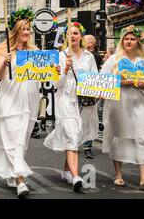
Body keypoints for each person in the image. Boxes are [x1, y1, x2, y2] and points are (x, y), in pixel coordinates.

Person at [0, 8, 44, 198]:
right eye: (23, 29)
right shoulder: (4, 49)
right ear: (16, 31)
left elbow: (43, 74)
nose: (26, 33)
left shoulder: (34, 51)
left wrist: (55, 68)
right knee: (12, 138)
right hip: (9, 99)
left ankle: (12, 171)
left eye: (28, 30)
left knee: (21, 140)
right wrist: (4, 63)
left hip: (28, 99)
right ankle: (20, 180)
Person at [101, 25, 144, 190]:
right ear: (122, 41)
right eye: (126, 38)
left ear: (138, 42)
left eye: (132, 39)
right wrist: (122, 81)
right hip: (119, 104)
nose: (129, 41)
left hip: (138, 103)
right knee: (119, 135)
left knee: (142, 136)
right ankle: (118, 174)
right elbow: (103, 81)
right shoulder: (114, 60)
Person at [44, 22, 98, 193]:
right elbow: (55, 83)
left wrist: (99, 92)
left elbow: (95, 79)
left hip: (83, 101)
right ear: (67, 37)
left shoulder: (89, 57)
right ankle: (76, 177)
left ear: (80, 36)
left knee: (76, 135)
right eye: (70, 34)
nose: (73, 36)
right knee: (72, 133)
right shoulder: (60, 56)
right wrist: (65, 69)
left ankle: (67, 171)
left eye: (75, 33)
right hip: (65, 100)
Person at [81, 34, 102, 159]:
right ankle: (81, 144)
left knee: (88, 119)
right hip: (79, 90)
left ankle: (87, 146)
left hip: (88, 90)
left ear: (90, 44)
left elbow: (95, 74)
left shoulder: (94, 56)